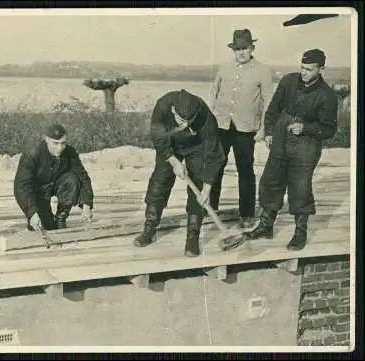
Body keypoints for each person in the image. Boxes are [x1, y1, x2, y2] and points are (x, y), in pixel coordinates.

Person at [243, 49, 338, 251]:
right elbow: (273, 109)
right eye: (302, 67)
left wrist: (306, 128)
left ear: (321, 69)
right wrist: (269, 131)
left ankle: (300, 233)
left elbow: (329, 129)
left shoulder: (327, 95)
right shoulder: (288, 81)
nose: (303, 72)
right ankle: (266, 226)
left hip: (306, 147)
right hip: (280, 140)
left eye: (309, 69)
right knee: (271, 182)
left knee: (300, 189)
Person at [134, 89, 225, 257]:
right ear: (173, 110)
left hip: (196, 147)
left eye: (190, 121)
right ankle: (150, 228)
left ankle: (193, 235)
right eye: (181, 120)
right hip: (169, 144)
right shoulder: (163, 105)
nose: (185, 125)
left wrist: (206, 188)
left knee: (197, 183)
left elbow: (213, 154)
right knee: (160, 180)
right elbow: (157, 136)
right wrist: (173, 160)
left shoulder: (205, 117)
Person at [209, 29, 274, 228]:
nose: (241, 53)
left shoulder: (263, 70)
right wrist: (210, 121)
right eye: (237, 49)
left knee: (245, 169)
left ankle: (246, 214)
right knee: (215, 167)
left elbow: (268, 101)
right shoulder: (224, 67)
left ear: (252, 48)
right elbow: (214, 93)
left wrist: (263, 128)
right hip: (221, 125)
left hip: (245, 129)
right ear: (233, 50)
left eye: (244, 48)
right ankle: (210, 208)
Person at [14, 124, 94, 232]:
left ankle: (61, 218)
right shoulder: (32, 154)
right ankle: (43, 218)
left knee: (72, 179)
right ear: (47, 139)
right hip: (38, 192)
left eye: (63, 143)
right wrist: (31, 213)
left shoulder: (70, 152)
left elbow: (83, 177)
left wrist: (87, 204)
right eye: (55, 143)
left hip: (56, 185)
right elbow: (21, 187)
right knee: (46, 226)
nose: (60, 148)